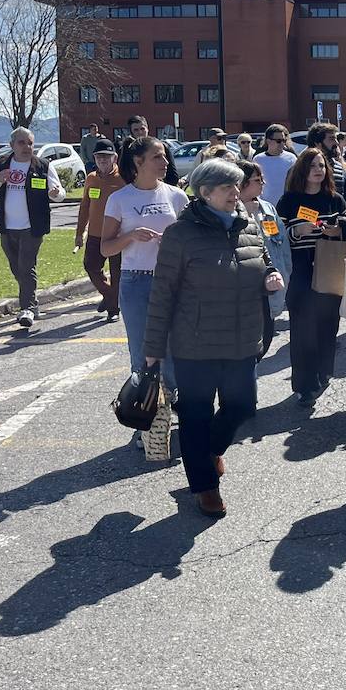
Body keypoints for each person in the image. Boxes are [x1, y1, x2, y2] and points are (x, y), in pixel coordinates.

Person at [143, 159, 283, 518]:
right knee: (195, 416)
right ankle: (205, 487)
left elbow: (262, 260)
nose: (236, 194)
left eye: (237, 187)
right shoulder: (181, 235)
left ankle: (207, 453)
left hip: (242, 338)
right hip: (196, 344)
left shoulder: (248, 224)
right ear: (204, 193)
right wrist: (153, 350)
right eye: (227, 188)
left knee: (242, 407)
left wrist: (270, 276)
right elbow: (163, 294)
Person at [102, 136, 188, 461]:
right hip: (136, 283)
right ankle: (146, 422)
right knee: (143, 355)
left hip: (172, 282)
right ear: (138, 162)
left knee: (175, 351)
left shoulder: (176, 197)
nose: (164, 163)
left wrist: (175, 242)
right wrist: (130, 237)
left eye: (164, 157)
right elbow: (105, 248)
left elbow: (191, 238)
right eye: (157, 157)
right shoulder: (119, 199)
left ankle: (171, 412)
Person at [277, 147, 346, 407]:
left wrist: (338, 230)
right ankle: (304, 384)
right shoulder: (288, 200)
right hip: (301, 271)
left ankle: (323, 374)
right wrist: (297, 230)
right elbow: (272, 234)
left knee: (327, 326)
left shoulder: (334, 199)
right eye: (313, 166)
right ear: (302, 169)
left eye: (322, 166)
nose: (318, 170)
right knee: (302, 329)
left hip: (329, 268)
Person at [0, 126, 66, 329]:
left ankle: (26, 308)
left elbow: (61, 193)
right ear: (12, 145)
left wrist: (55, 193)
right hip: (7, 227)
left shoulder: (42, 166)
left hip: (32, 227)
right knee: (17, 268)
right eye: (22, 143)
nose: (27, 147)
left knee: (26, 266)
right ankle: (32, 304)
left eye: (30, 143)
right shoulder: (1, 163)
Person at [74, 137, 124, 321]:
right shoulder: (91, 178)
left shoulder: (124, 179)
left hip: (119, 234)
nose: (102, 160)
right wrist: (79, 232)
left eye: (106, 156)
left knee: (117, 272)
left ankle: (113, 310)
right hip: (96, 234)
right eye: (98, 157)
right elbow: (85, 206)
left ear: (114, 158)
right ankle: (111, 296)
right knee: (91, 266)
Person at [238, 159, 292, 320]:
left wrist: (286, 273)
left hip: (271, 283)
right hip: (244, 288)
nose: (263, 183)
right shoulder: (227, 210)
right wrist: (243, 215)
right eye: (257, 180)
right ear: (242, 183)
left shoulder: (268, 208)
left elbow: (282, 246)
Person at [120, 115, 180, 185]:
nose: (140, 132)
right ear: (131, 133)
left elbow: (173, 177)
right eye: (136, 130)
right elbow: (124, 173)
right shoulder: (128, 150)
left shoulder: (161, 147)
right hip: (136, 189)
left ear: (147, 129)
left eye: (142, 129)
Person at [254, 123, 295, 207]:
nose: (282, 144)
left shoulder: (291, 158)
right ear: (268, 141)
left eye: (284, 140)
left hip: (287, 205)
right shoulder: (258, 159)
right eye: (278, 141)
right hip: (266, 206)